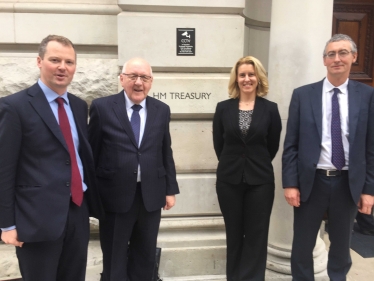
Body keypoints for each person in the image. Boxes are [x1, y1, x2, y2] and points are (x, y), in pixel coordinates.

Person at [0, 35, 103, 281]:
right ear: (39, 61)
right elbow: (4, 169)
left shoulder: (79, 106)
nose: (62, 67)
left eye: (69, 62)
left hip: (77, 212)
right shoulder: (14, 107)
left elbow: (79, 157)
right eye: (55, 60)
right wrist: (6, 225)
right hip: (36, 217)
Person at [282, 34, 374, 280]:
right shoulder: (303, 95)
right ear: (324, 60)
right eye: (331, 54)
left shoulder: (367, 96)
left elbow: (370, 147)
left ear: (354, 57)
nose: (337, 59)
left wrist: (369, 189)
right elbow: (291, 144)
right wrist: (290, 183)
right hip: (311, 182)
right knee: (302, 246)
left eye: (343, 53)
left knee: (342, 247)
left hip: (347, 183)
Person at [88, 57, 179, 281]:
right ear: (122, 79)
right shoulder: (102, 107)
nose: (139, 83)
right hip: (114, 196)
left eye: (145, 78)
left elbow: (165, 151)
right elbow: (91, 153)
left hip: (150, 195)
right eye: (133, 76)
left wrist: (170, 189)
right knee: (114, 257)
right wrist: (91, 195)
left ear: (151, 81)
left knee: (145, 256)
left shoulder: (161, 110)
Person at [213, 56, 282, 280]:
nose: (247, 79)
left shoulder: (270, 109)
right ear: (236, 79)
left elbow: (271, 146)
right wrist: (235, 163)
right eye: (242, 75)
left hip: (260, 182)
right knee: (233, 235)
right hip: (229, 181)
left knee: (256, 236)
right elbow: (219, 145)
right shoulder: (223, 108)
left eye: (251, 74)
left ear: (259, 78)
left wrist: (253, 162)